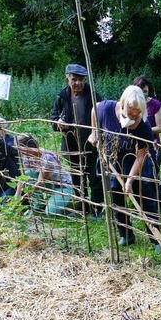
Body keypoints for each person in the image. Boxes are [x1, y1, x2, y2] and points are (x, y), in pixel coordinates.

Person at [90, 85, 161, 252]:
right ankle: (126, 234)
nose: (134, 114)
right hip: (113, 157)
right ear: (123, 103)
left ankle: (156, 238)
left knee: (144, 195)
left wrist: (130, 180)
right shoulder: (107, 108)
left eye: (138, 110)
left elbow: (141, 155)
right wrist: (94, 132)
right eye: (131, 109)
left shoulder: (142, 125)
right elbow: (94, 109)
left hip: (134, 160)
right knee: (116, 196)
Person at [50, 64, 103, 218]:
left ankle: (96, 209)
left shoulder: (93, 96)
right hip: (72, 145)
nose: (78, 83)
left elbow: (103, 115)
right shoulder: (62, 97)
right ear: (67, 78)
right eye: (74, 79)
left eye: (81, 80)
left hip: (91, 144)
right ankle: (83, 208)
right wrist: (58, 124)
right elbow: (53, 119)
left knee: (94, 178)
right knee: (77, 179)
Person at [15, 134, 74, 217]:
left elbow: (40, 183)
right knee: (28, 174)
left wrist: (22, 199)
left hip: (62, 186)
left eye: (21, 150)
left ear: (31, 146)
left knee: (51, 212)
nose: (21, 153)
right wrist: (15, 198)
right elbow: (23, 179)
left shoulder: (47, 157)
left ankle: (70, 209)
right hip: (49, 185)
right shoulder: (27, 158)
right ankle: (39, 205)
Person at [132, 75, 161, 175]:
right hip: (135, 148)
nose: (143, 94)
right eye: (141, 91)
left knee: (152, 178)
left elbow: (159, 128)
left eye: (145, 91)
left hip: (152, 147)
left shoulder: (156, 105)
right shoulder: (132, 105)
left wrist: (143, 130)